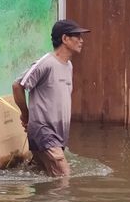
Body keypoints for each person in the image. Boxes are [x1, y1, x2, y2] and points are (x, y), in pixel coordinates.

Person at [11, 19, 90, 177]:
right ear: (65, 39)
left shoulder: (68, 66)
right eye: (77, 36)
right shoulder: (46, 63)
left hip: (59, 135)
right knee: (63, 175)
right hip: (44, 132)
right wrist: (26, 115)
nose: (81, 40)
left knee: (42, 175)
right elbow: (18, 86)